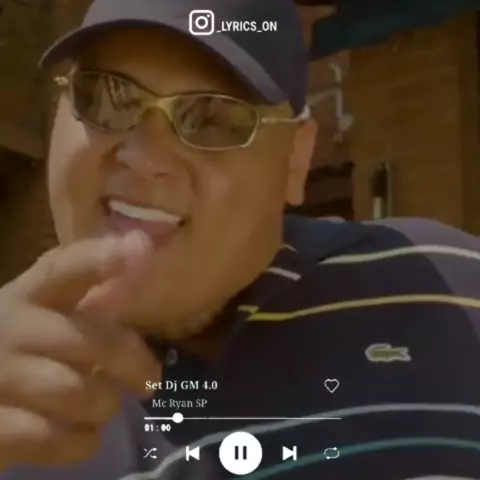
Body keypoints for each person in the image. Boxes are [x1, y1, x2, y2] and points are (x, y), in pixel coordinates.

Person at [1, 0, 480, 478]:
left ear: (295, 160)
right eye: (107, 96)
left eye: (213, 117)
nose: (145, 158)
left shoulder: (449, 290)